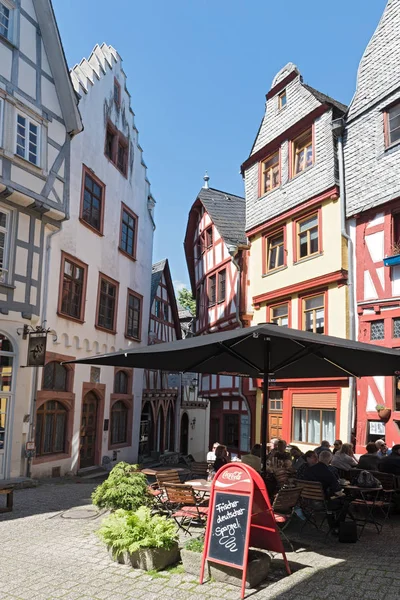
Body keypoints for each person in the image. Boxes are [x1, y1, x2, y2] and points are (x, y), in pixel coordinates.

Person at [308, 450, 350, 531]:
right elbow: (337, 491)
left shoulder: (309, 470)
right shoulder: (329, 472)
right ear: (330, 461)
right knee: (345, 501)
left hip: (308, 501)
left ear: (319, 458)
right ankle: (336, 526)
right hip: (323, 502)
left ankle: (334, 524)